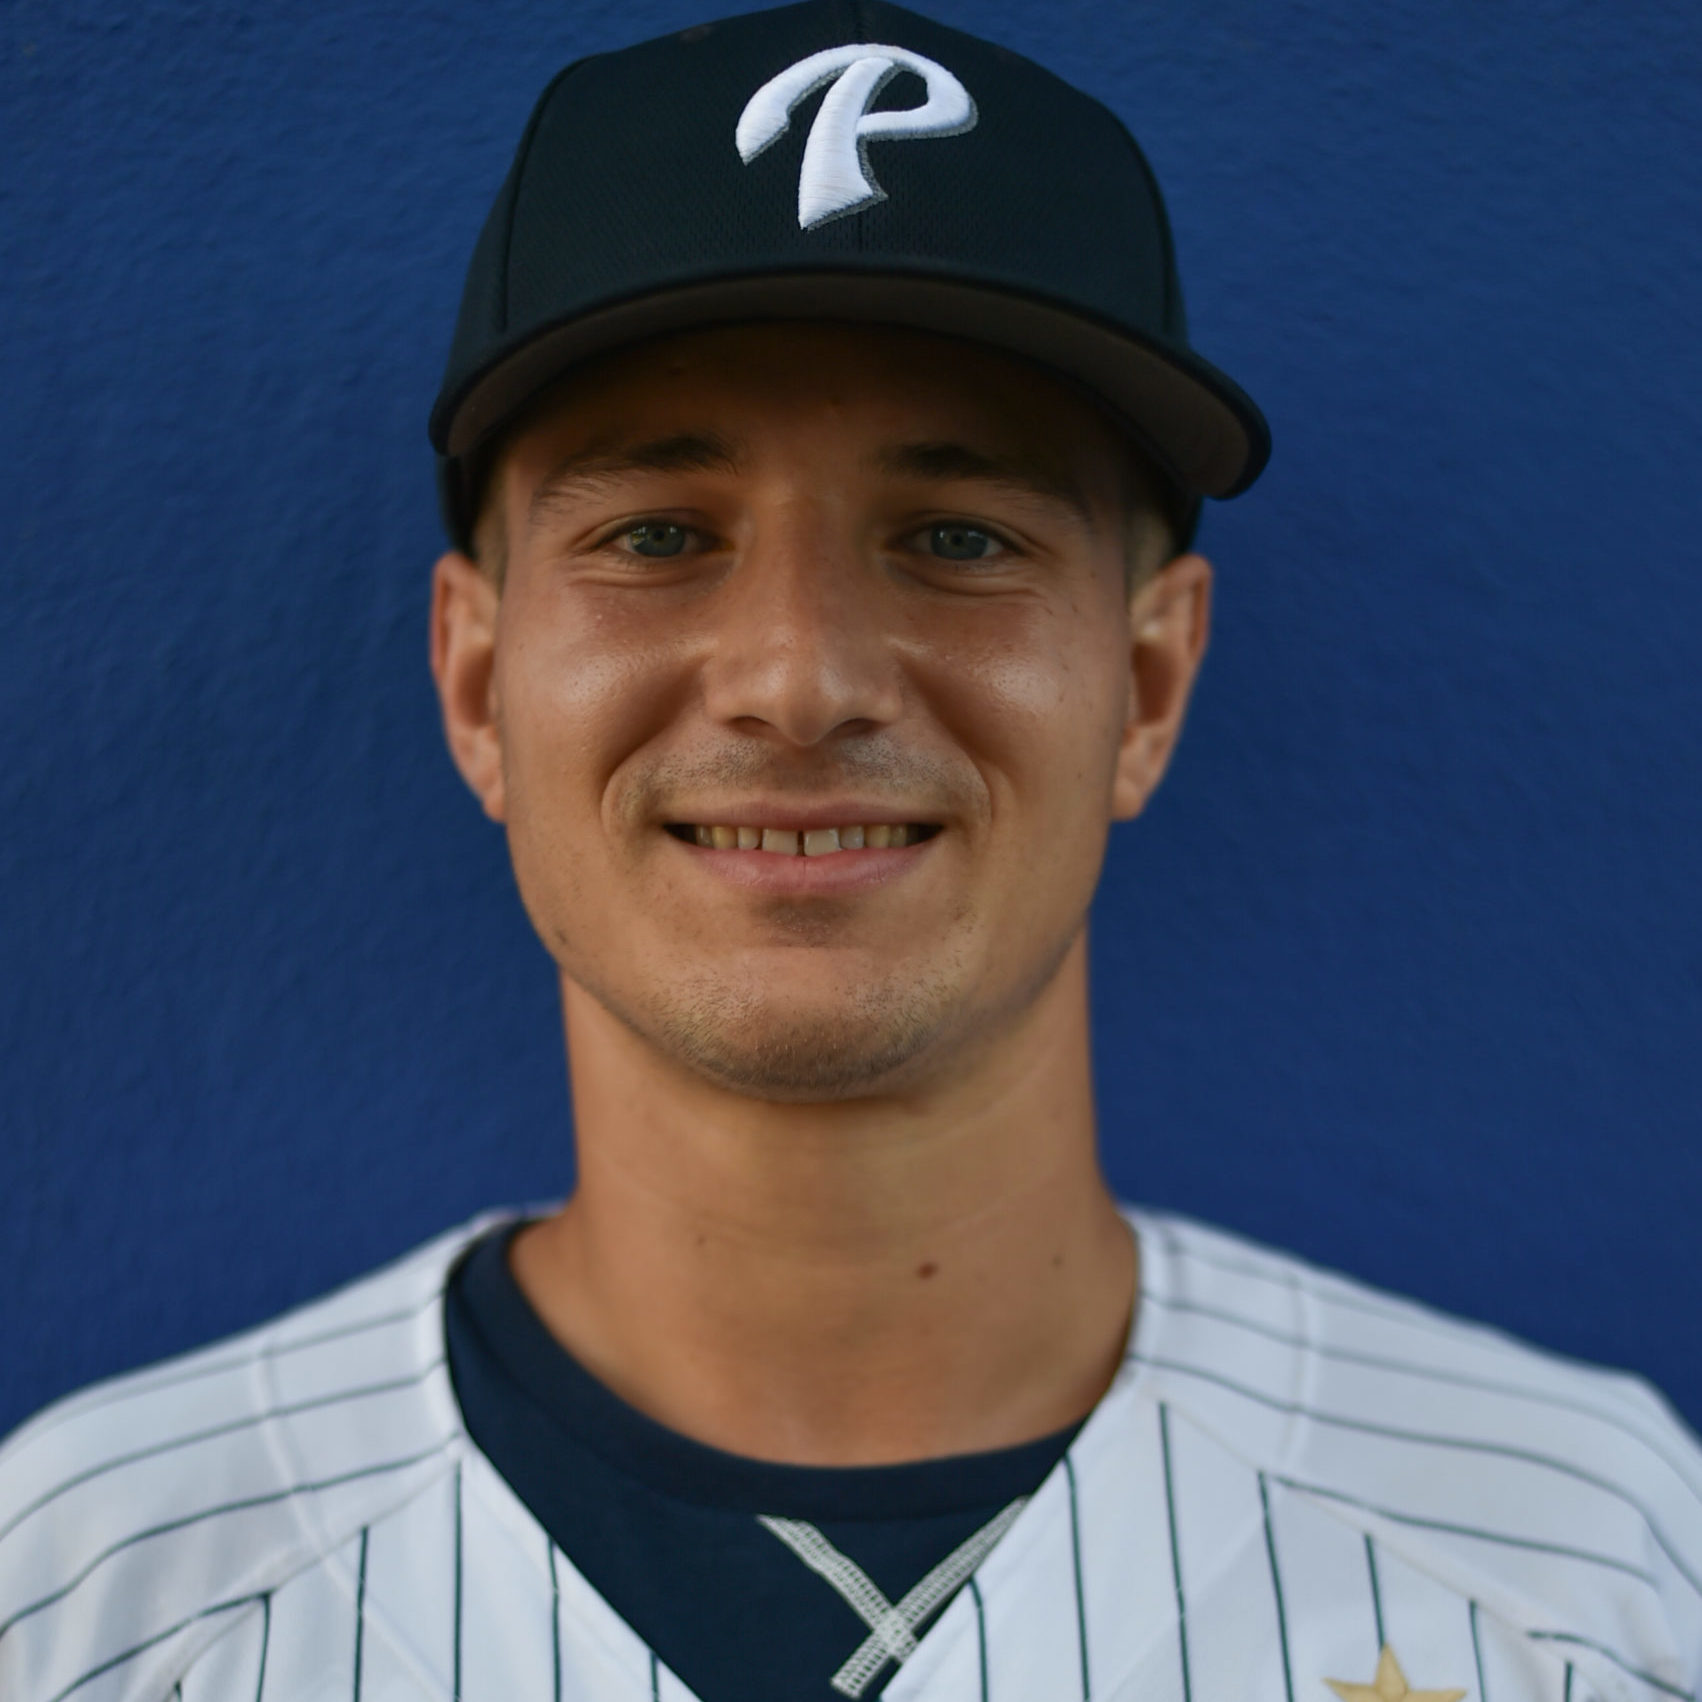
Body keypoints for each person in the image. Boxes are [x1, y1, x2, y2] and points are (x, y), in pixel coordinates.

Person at [2, 4, 1699, 1700]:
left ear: (1145, 686)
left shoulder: (1585, 1570)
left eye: (958, 535)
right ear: (475, 685)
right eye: (655, 534)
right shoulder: (93, 1592)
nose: (800, 678)